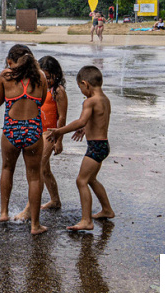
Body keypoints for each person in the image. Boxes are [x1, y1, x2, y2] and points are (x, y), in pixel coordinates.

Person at [46, 65, 114, 231]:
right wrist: (86, 129)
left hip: (95, 147)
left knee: (81, 180)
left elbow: (81, 120)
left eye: (80, 88)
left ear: (86, 84)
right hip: (103, 144)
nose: (82, 91)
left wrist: (59, 131)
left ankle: (86, 221)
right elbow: (100, 120)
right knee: (90, 179)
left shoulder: (89, 101)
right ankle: (107, 209)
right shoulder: (105, 99)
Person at [0, 44, 48, 235]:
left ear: (10, 61)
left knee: (7, 168)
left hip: (11, 129)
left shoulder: (5, 75)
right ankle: (35, 225)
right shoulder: (40, 77)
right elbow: (41, 101)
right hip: (33, 130)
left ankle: (3, 212)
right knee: (34, 176)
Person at [14, 56, 68, 221]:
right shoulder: (39, 87)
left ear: (56, 74)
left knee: (37, 169)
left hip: (50, 134)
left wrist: (59, 140)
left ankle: (29, 210)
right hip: (37, 131)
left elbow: (62, 118)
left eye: (49, 76)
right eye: (44, 76)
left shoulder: (58, 91)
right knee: (45, 170)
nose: (47, 80)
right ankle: (55, 200)